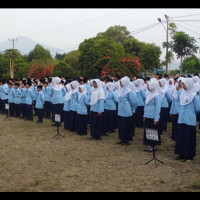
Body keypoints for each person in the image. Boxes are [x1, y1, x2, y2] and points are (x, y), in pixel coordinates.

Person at [175, 78, 200, 162]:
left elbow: (198, 108)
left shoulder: (194, 95)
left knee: (188, 138)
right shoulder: (182, 94)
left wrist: (190, 113)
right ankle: (181, 153)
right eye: (183, 84)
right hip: (181, 118)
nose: (183, 85)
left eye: (184, 84)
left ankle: (189, 156)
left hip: (189, 120)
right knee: (181, 137)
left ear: (189, 84)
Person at [117, 77, 138, 146]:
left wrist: (133, 110)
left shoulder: (129, 92)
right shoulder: (120, 90)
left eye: (121, 82)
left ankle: (127, 140)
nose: (120, 83)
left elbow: (133, 102)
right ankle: (122, 139)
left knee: (126, 126)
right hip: (120, 111)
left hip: (126, 112)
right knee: (121, 126)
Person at [143, 79, 161, 152]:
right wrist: (144, 115)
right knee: (148, 130)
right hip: (147, 115)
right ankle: (149, 144)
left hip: (153, 116)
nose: (147, 87)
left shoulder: (156, 96)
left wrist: (156, 119)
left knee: (153, 131)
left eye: (148, 85)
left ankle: (154, 145)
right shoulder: (149, 94)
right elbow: (146, 105)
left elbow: (157, 108)